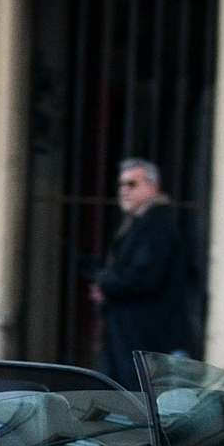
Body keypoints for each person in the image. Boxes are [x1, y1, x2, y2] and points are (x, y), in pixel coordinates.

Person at [88, 157, 197, 386]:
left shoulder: (156, 225)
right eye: (121, 185)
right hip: (132, 336)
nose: (124, 190)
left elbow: (144, 277)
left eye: (132, 184)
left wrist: (106, 286)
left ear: (152, 186)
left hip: (145, 337)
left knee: (139, 400)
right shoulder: (141, 223)